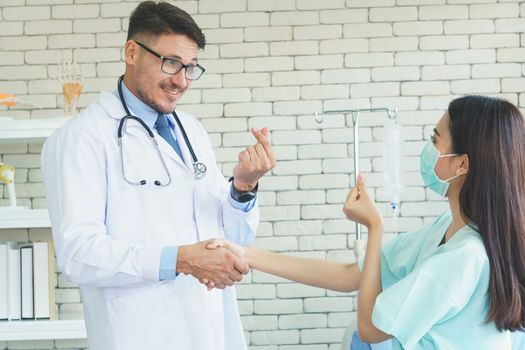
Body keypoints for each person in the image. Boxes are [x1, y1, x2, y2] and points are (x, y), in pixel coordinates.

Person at [41, 2, 275, 350]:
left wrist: (243, 187)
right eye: (171, 63)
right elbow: (79, 254)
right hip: (141, 334)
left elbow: (230, 236)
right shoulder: (81, 138)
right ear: (132, 52)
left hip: (211, 330)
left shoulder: (191, 131)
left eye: (190, 68)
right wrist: (181, 260)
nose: (181, 81)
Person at [206, 95, 525, 349]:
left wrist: (375, 227)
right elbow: (350, 276)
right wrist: (246, 254)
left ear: (463, 163)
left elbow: (371, 329)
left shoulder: (465, 256)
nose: (428, 149)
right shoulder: (446, 229)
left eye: (435, 139)